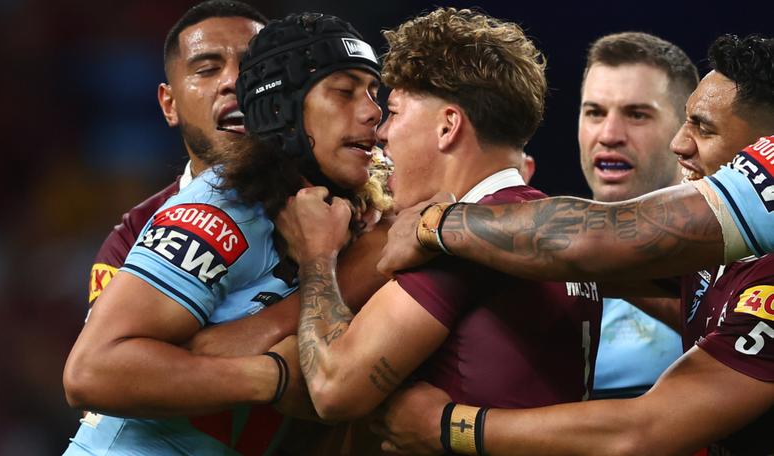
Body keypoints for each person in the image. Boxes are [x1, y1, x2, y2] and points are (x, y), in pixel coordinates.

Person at [374, 34, 774, 455]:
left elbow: (640, 432)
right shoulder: (729, 254)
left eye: (702, 127)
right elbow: (615, 268)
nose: (679, 143)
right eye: (594, 112)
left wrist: (449, 426)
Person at [63, 10, 389, 455]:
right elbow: (93, 372)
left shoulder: (356, 215)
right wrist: (272, 376)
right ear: (283, 105)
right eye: (344, 93)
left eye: (374, 93)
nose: (374, 112)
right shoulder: (220, 205)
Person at [279, 8, 601, 433]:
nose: (382, 133)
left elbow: (333, 388)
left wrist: (316, 256)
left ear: (448, 126)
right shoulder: (543, 225)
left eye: (394, 112)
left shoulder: (461, 241)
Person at [577, 32, 697, 398]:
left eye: (637, 114)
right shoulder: (528, 249)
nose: (609, 135)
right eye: (594, 113)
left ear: (686, 130)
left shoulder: (740, 256)